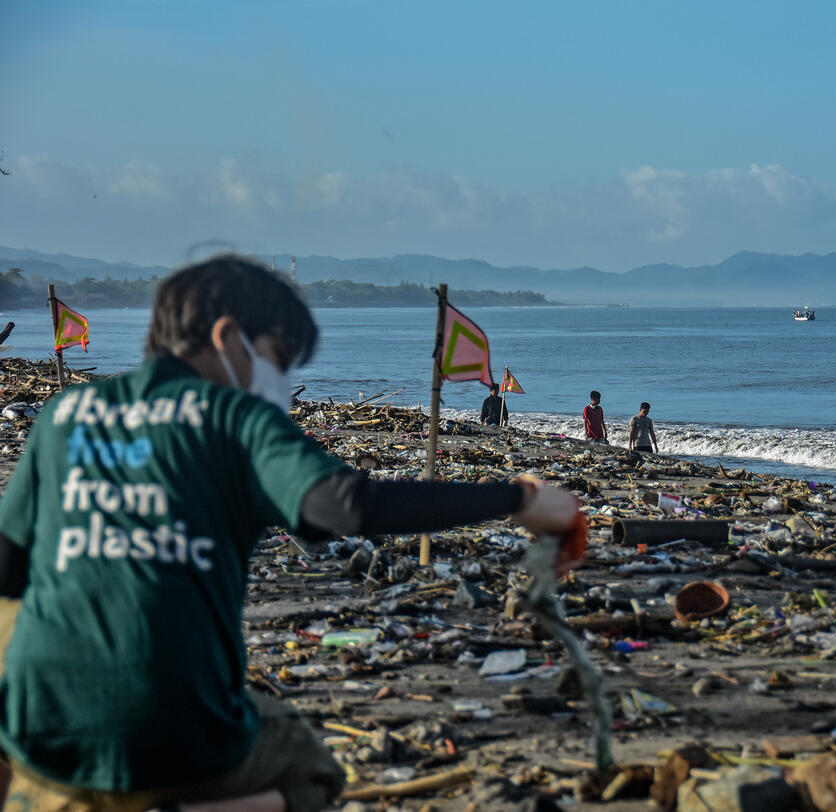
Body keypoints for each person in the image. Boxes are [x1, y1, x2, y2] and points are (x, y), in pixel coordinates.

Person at [0, 255, 579, 812]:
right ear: (229, 338)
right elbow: (346, 505)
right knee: (313, 770)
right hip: (177, 734)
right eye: (278, 357)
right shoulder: (236, 418)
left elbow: (8, 566)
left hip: (37, 724)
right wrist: (517, 497)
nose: (282, 378)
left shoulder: (65, 412)